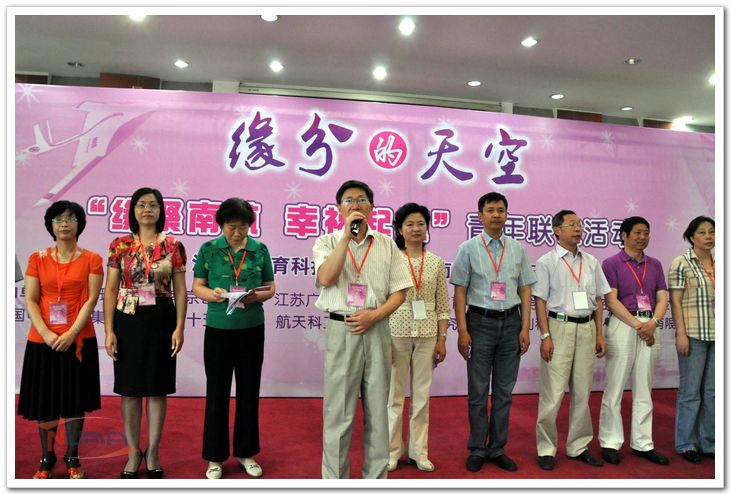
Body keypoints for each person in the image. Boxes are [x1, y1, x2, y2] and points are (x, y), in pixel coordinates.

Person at [313, 180, 412, 479]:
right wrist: (346, 237)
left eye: (361, 200)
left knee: (378, 412)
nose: (355, 205)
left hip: (377, 329)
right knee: (339, 413)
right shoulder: (326, 242)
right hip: (341, 330)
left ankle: (375, 480)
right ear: (338, 208)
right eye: (348, 200)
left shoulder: (387, 244)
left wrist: (375, 316)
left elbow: (400, 291)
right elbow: (326, 278)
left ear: (372, 207)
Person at [103, 187, 187, 479]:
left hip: (161, 318)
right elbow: (110, 290)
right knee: (129, 390)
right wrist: (109, 330)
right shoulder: (120, 245)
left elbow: (180, 290)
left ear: (161, 210)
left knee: (156, 388)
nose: (147, 209)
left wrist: (179, 327)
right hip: (128, 319)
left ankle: (152, 451)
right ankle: (132, 452)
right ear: (133, 210)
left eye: (153, 205)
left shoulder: (173, 245)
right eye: (141, 205)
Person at [450, 192, 536, 473]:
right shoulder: (468, 248)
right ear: (480, 216)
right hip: (479, 323)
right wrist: (462, 331)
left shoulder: (517, 249)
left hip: (511, 323)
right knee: (477, 392)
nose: (496, 214)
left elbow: (525, 289)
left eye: (501, 210)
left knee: (504, 392)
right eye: (490, 210)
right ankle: (477, 447)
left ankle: (497, 447)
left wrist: (525, 327)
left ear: (507, 215)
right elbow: (460, 291)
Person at [18, 201, 103, 479]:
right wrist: (46, 333)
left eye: (70, 218)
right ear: (50, 225)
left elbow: (91, 300)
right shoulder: (37, 258)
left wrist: (70, 334)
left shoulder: (92, 259)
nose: (64, 223)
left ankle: (72, 455)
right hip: (43, 341)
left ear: (80, 223)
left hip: (78, 340)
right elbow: (31, 299)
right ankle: (47, 456)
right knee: (46, 402)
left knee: (74, 402)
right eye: (58, 219)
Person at [192, 198, 276, 479]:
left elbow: (271, 287)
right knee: (217, 393)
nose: (238, 233)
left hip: (251, 328)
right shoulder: (209, 249)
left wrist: (255, 296)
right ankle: (214, 457)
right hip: (218, 329)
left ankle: (246, 452)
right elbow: (198, 286)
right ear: (222, 225)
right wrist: (214, 294)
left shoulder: (259, 250)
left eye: (243, 227)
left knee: (249, 391)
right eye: (232, 227)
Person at [533, 209, 610, 471]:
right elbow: (540, 301)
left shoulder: (591, 261)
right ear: (557, 230)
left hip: (587, 327)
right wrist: (545, 335)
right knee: (553, 393)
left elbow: (598, 299)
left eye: (580, 224)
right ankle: (546, 448)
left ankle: (578, 445)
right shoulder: (547, 261)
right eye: (572, 224)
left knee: (582, 392)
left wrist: (599, 333)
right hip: (559, 327)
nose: (578, 228)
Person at [598, 217, 669, 465]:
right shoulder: (611, 263)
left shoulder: (655, 264)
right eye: (637, 232)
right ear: (624, 235)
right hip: (623, 324)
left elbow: (662, 298)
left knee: (644, 387)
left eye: (646, 233)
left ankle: (643, 443)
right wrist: (638, 324)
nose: (642, 237)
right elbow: (611, 300)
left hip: (650, 324)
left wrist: (653, 323)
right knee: (615, 385)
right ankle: (610, 442)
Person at [386, 203, 450, 473]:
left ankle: (418, 452)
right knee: (394, 396)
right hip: (396, 333)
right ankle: (392, 451)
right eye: (410, 224)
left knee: (422, 396)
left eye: (421, 224)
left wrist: (442, 338)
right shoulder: (391, 258)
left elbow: (443, 305)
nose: (416, 229)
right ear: (399, 229)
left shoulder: (435, 262)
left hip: (427, 335)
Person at [668, 216, 715, 464]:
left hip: (719, 335)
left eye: (712, 232)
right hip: (694, 334)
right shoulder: (681, 262)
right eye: (702, 232)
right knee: (690, 391)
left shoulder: (721, 262)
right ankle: (686, 443)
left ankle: (709, 442)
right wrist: (681, 333)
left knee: (713, 392)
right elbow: (675, 301)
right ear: (691, 236)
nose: (708, 236)